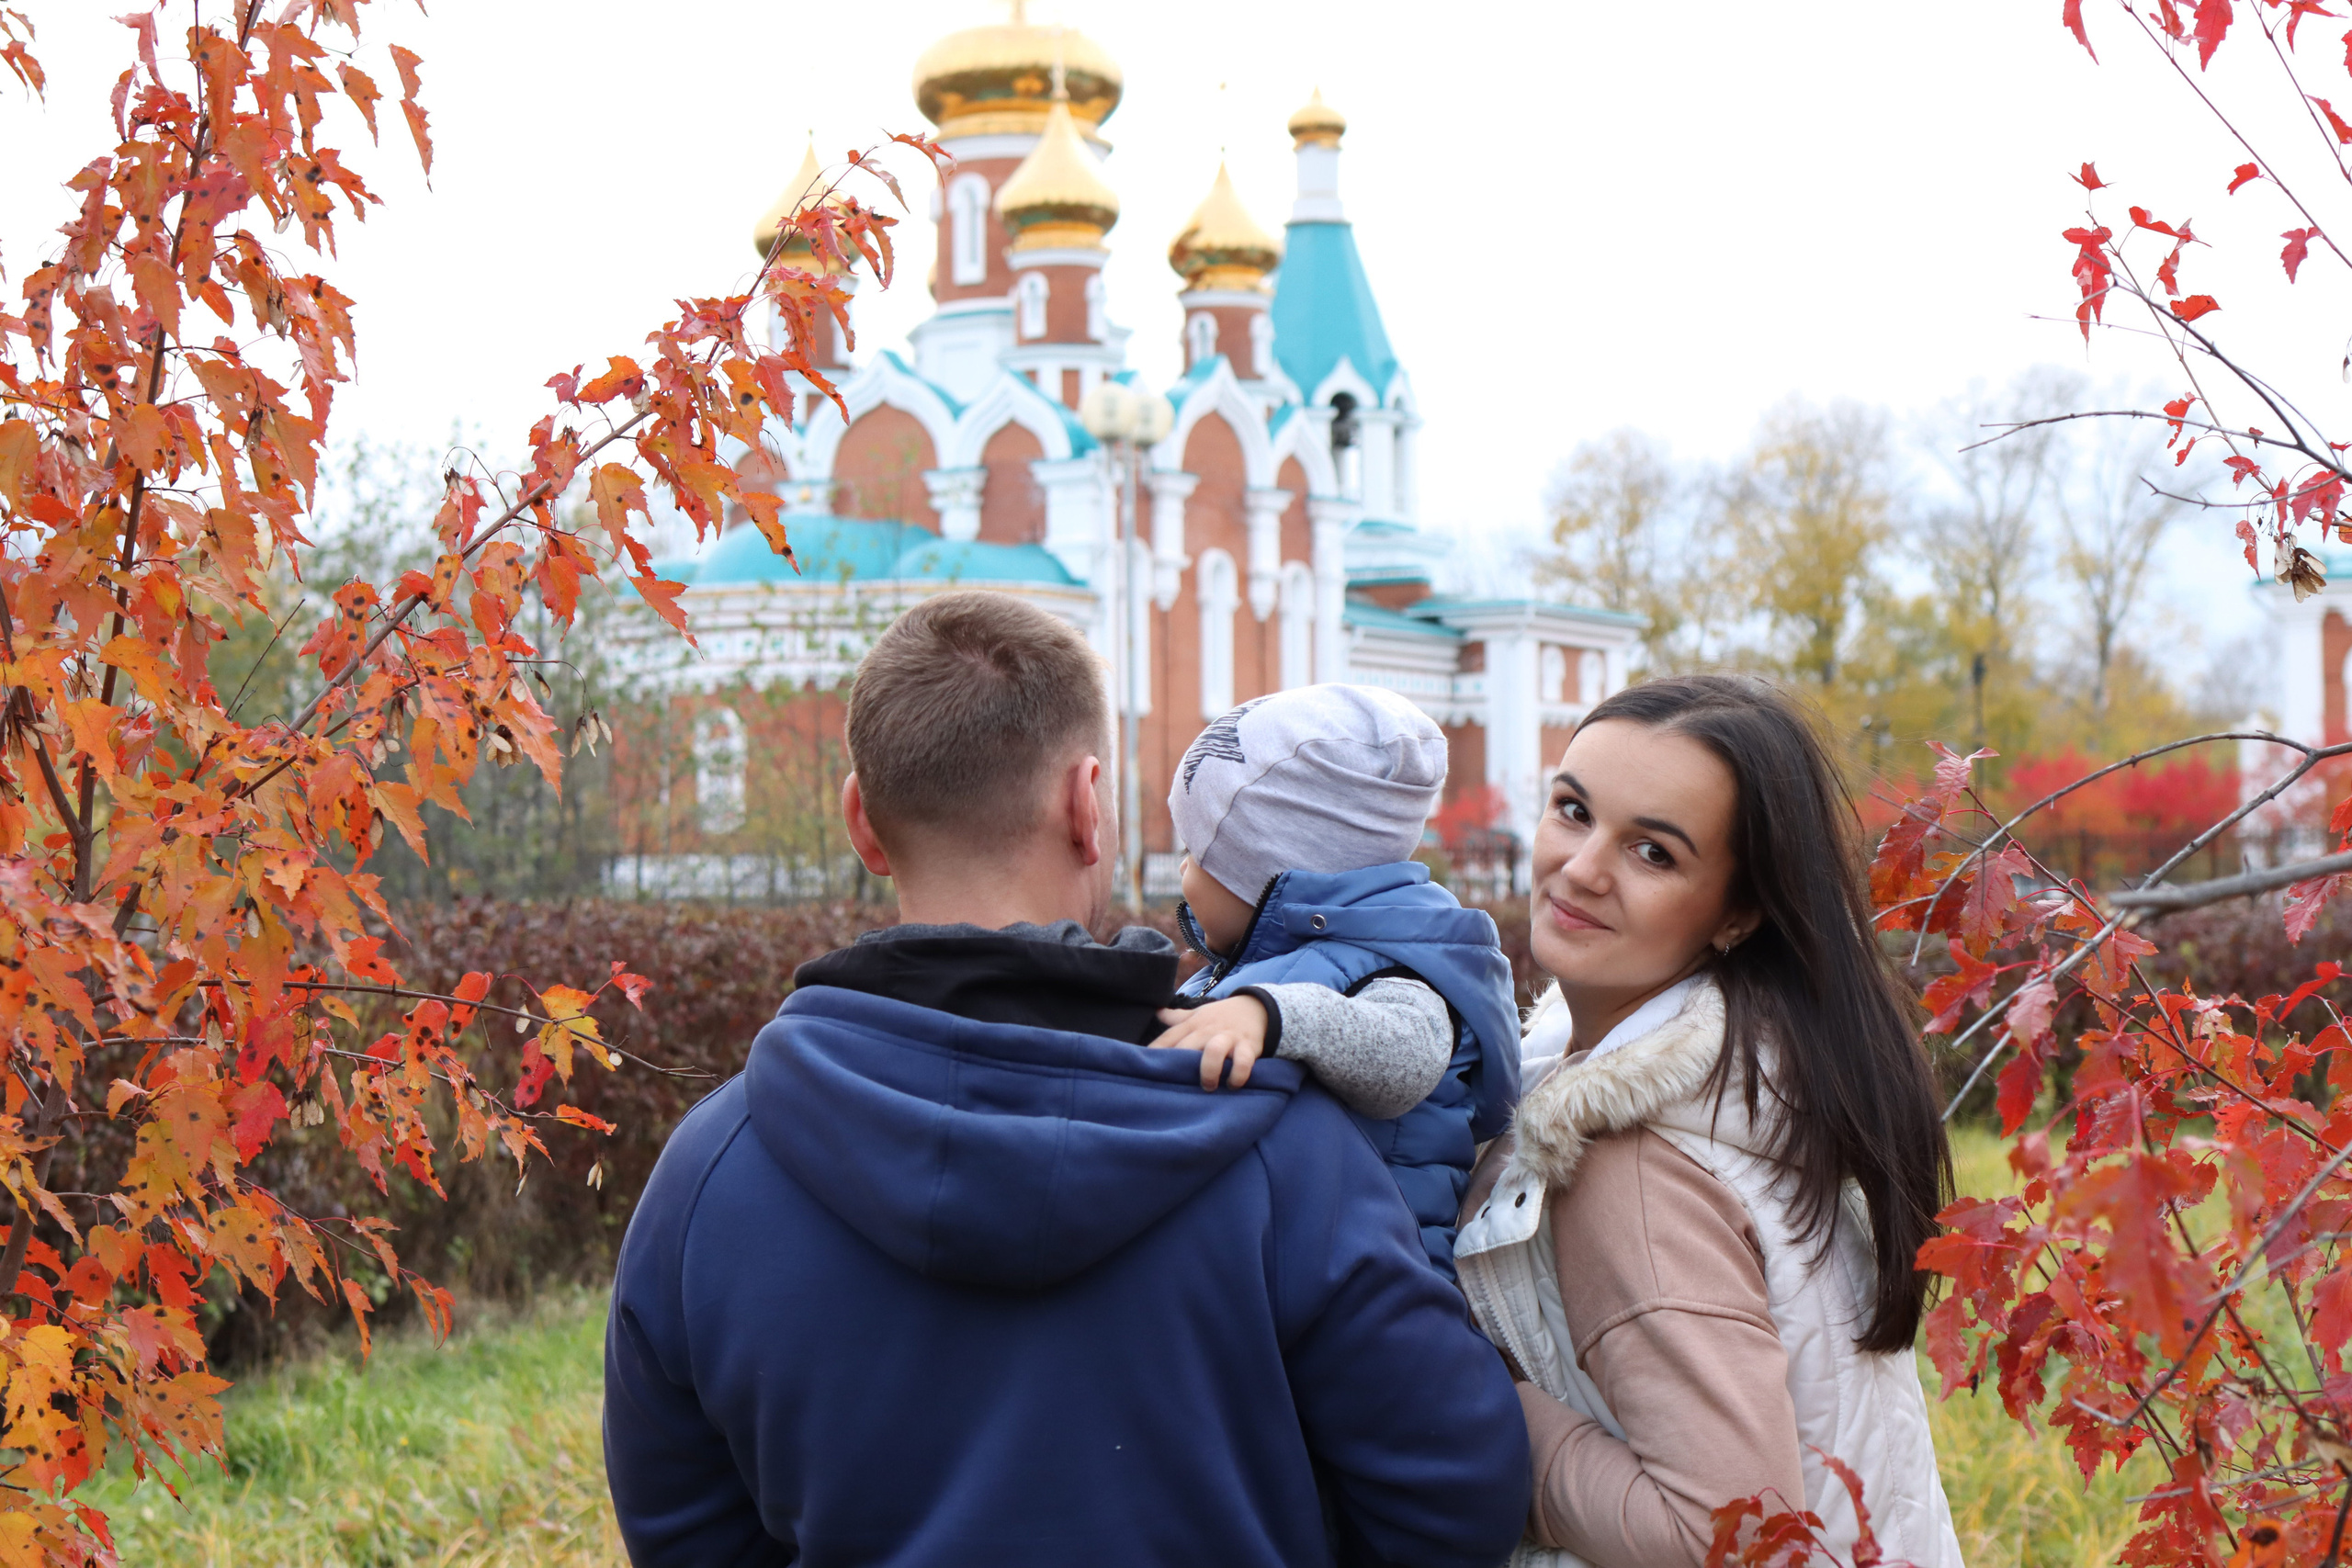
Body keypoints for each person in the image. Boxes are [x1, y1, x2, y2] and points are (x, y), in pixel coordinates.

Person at [602, 590, 1531, 1568]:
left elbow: (682, 1529)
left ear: (859, 822)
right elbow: (1453, 1493)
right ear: (1089, 805)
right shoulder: (1278, 1139)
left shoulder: (709, 1176)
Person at [1453, 674, 1964, 1568]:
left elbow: (1722, 1537)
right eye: (1572, 810)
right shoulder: (1759, 1082)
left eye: (1653, 853)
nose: (1580, 867)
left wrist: (1466, 1401)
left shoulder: (1637, 1164)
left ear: (1737, 912)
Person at [1148, 686, 1520, 1278]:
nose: (1185, 873)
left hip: (1383, 1282)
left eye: (1196, 852)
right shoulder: (1253, 966)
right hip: (1291, 1268)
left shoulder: (1395, 966)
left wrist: (1270, 1016)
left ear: (1265, 876)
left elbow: (1404, 1057)